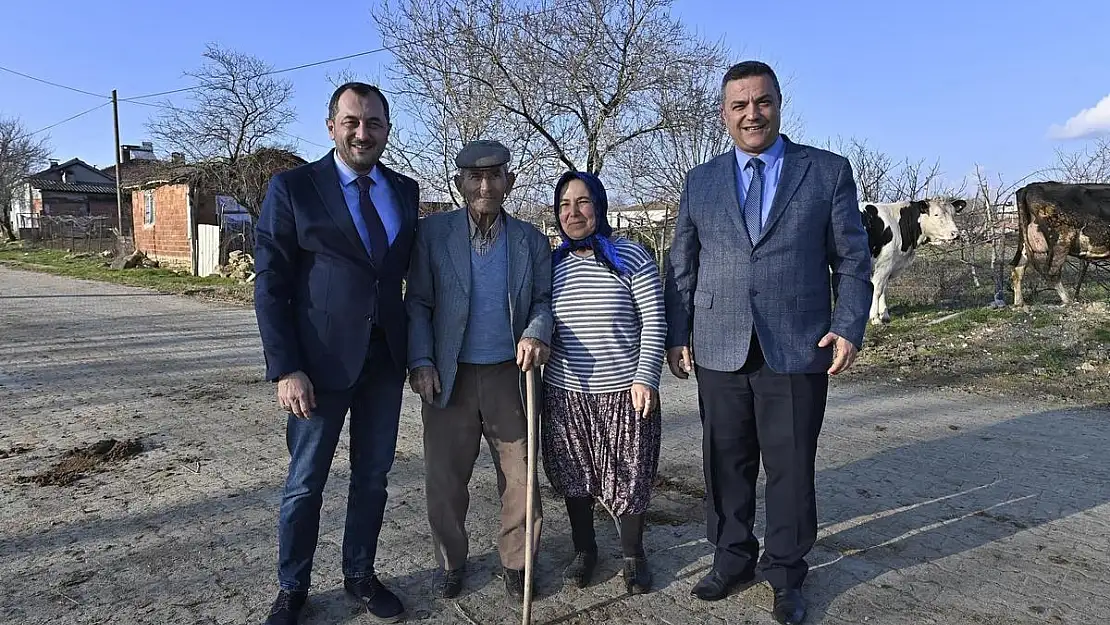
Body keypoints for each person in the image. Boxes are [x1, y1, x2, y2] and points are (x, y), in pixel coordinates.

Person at [664, 61, 872, 625]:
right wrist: (677, 335)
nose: (751, 114)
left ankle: (785, 572)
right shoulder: (701, 181)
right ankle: (731, 557)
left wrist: (849, 325)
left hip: (797, 344)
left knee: (790, 465)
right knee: (724, 462)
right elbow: (682, 264)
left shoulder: (825, 172)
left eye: (762, 102)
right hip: (718, 344)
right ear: (724, 114)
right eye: (739, 105)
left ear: (779, 104)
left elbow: (853, 259)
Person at [253, 82, 419, 625]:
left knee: (373, 477)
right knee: (306, 481)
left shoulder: (405, 191)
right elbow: (271, 283)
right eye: (352, 121)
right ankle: (292, 587)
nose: (362, 132)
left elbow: (407, 280)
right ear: (331, 126)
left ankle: (360, 576)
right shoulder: (294, 188)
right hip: (318, 367)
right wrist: (286, 367)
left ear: (387, 131)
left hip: (383, 363)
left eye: (373, 123)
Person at [405, 139, 553, 602]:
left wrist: (535, 331)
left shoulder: (530, 240)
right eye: (475, 176)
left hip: (511, 376)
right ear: (459, 183)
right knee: (445, 480)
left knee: (522, 476)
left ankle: (517, 563)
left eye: (494, 176)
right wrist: (422, 361)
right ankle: (452, 562)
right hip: (450, 378)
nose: (485, 185)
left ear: (510, 181)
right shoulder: (432, 235)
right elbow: (419, 304)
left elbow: (544, 302)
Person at [541, 171, 667, 594]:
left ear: (600, 205)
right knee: (574, 474)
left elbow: (654, 320)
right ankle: (585, 550)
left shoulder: (630, 256)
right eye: (564, 205)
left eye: (583, 202)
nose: (573, 213)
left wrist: (646, 377)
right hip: (565, 392)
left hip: (624, 392)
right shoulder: (550, 265)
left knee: (630, 476)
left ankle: (633, 554)